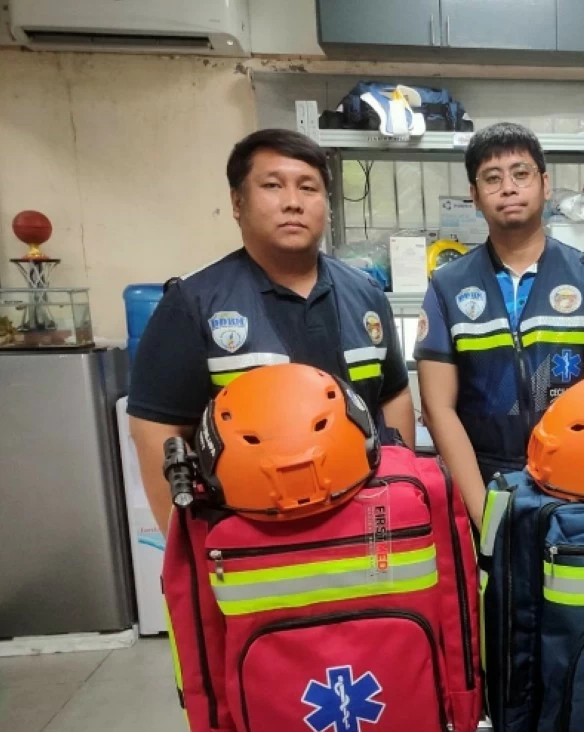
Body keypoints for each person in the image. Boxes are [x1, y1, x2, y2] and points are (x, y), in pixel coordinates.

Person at [128, 128, 415, 535]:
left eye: (308, 188)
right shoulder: (193, 304)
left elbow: (394, 394)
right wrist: (187, 551)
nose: (293, 203)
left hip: (363, 524)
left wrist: (395, 491)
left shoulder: (365, 294)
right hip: (251, 539)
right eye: (273, 185)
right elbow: (156, 429)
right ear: (237, 202)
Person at [415, 122, 584, 527]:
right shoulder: (447, 285)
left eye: (521, 174)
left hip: (574, 486)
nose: (508, 188)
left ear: (545, 184)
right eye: (492, 179)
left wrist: (582, 495)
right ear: (474, 196)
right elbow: (437, 407)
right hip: (482, 480)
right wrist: (483, 514)